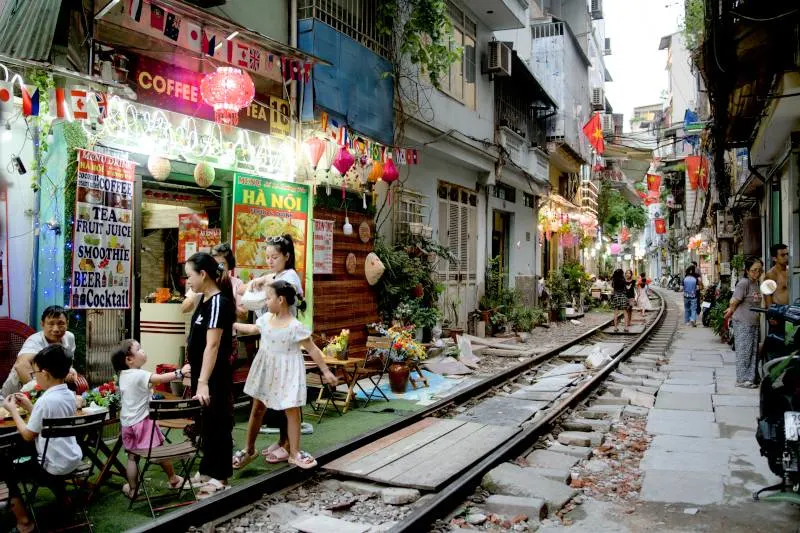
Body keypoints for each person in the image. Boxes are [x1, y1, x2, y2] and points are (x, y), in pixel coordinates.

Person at [232, 281, 337, 469]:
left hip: (287, 373)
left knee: (292, 410)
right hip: (266, 371)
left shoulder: (295, 326)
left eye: (269, 298)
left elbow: (312, 349)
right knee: (257, 408)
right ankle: (249, 449)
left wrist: (326, 370)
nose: (266, 302)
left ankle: (295, 452)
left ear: (280, 300)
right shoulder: (265, 319)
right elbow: (252, 329)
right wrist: (233, 324)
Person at [243, 234, 310, 445]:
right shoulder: (276, 275)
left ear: (286, 256)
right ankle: (282, 442)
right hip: (271, 346)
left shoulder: (288, 277)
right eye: (268, 257)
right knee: (274, 397)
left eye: (274, 256)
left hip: (285, 348)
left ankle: (287, 444)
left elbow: (276, 284)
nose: (270, 261)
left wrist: (260, 280)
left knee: (285, 399)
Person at [2, 345, 83, 509]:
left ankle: (22, 518)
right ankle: (63, 498)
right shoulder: (68, 395)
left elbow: (27, 435)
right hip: (72, 459)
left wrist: (13, 411)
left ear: (45, 373)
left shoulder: (45, 400)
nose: (34, 377)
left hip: (51, 468)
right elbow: (47, 420)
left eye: (35, 373)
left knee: (5, 466)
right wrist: (29, 406)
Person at [184, 252, 236, 498]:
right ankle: (207, 469)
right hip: (201, 373)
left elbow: (213, 345)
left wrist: (203, 381)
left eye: (190, 276)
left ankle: (221, 475)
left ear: (203, 274)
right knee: (205, 422)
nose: (188, 282)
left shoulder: (218, 302)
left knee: (218, 422)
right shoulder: (204, 300)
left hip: (214, 376)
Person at [112, 339, 189, 499]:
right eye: (139, 349)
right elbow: (160, 379)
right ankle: (173, 479)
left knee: (132, 457)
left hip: (127, 424)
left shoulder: (123, 375)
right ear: (129, 359)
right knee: (159, 452)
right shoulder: (140, 374)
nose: (143, 351)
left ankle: (133, 489)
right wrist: (180, 372)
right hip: (143, 423)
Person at [1, 306, 77, 398]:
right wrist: (38, 393)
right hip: (13, 396)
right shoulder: (35, 340)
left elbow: (67, 363)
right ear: (42, 324)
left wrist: (68, 372)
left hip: (49, 392)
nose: (56, 329)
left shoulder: (69, 338)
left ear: (67, 323)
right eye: (51, 324)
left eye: (61, 324)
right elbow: (21, 366)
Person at [724, 257, 764, 388]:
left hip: (753, 323)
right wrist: (730, 311)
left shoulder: (756, 283)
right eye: (753, 270)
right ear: (747, 271)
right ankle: (742, 379)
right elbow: (734, 300)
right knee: (744, 351)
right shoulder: (744, 283)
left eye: (759, 270)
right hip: (743, 322)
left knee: (753, 352)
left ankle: (751, 378)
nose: (756, 273)